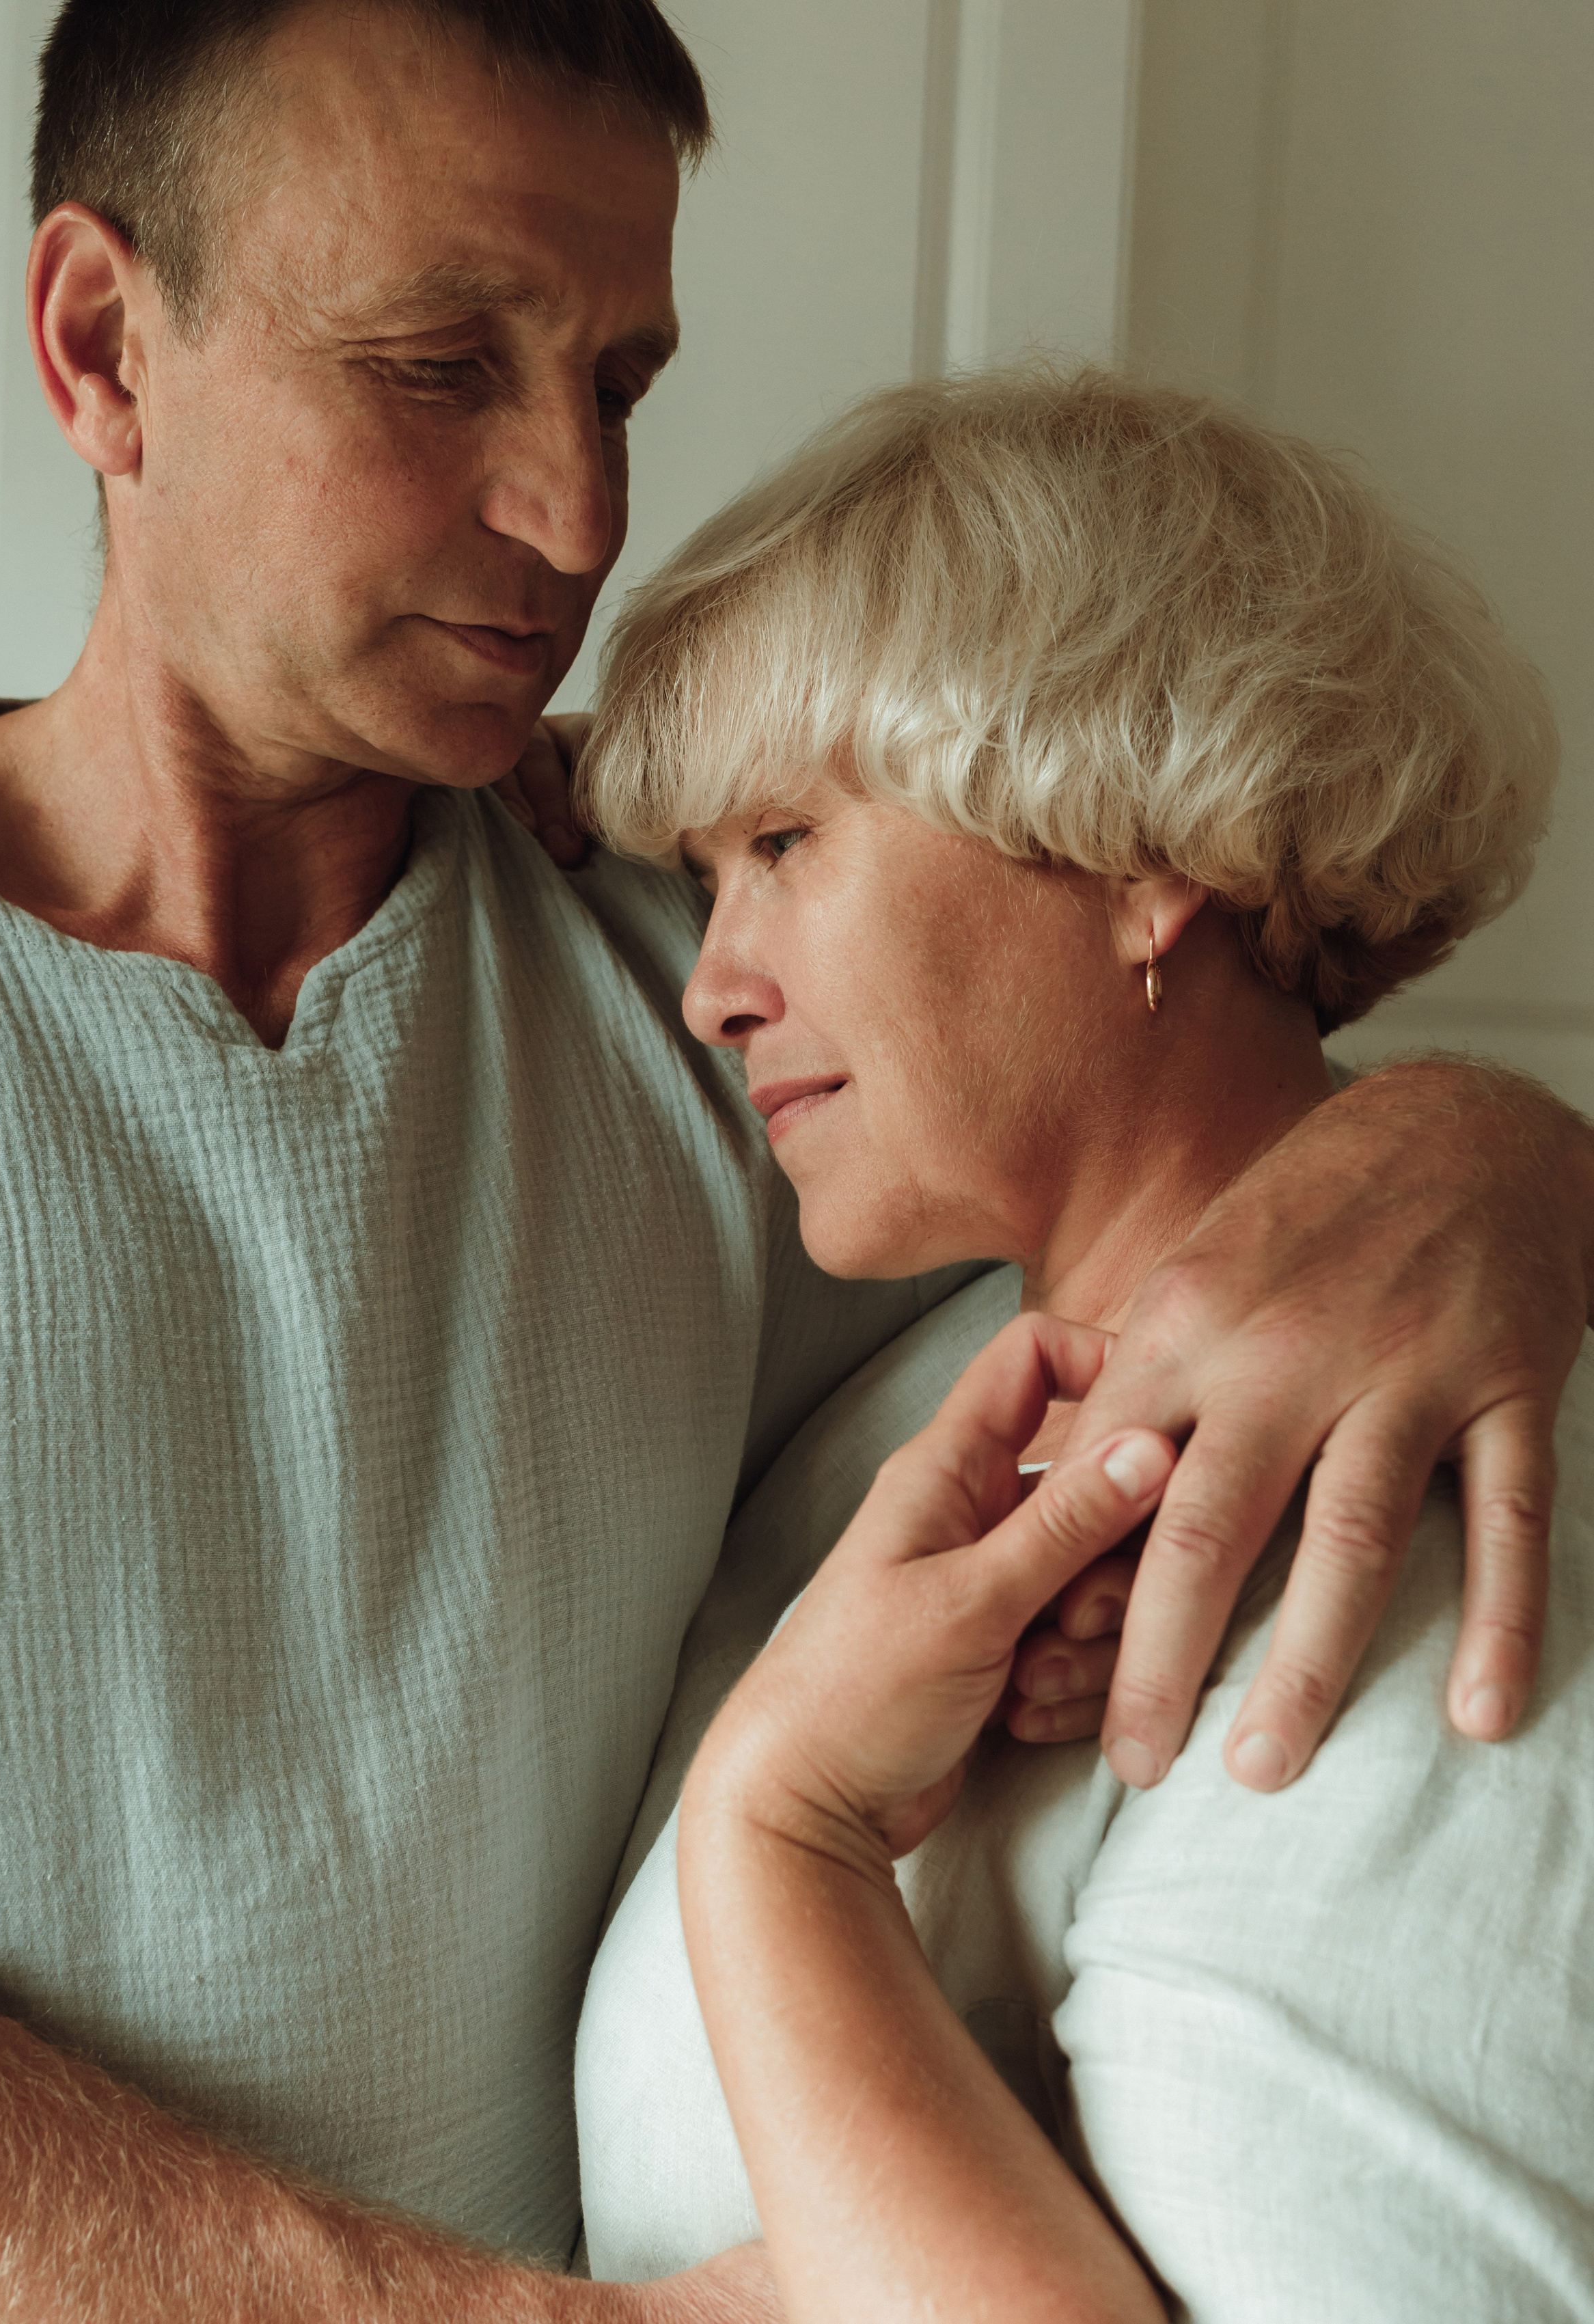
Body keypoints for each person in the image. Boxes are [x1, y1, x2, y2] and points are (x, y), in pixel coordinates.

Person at [0, 0, 1591, 2312]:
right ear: (101, 343)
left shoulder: (738, 1006)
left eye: (621, 383)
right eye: (440, 366)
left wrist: (1503, 1160)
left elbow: (1187, 1057)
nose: (580, 517)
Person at [571, 364, 1594, 2319]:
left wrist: (776, 1836)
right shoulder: (907, 1386)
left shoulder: (1397, 1540)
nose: (710, 988)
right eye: (703, 884)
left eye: (784, 839)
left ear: (1143, 854)